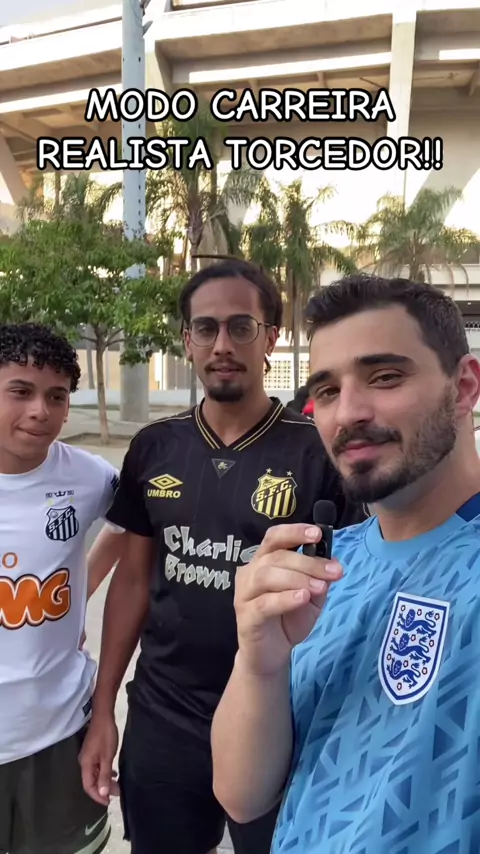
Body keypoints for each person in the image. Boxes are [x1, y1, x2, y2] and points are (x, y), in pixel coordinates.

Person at [79, 259, 365, 854]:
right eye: (206, 328)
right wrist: (104, 708)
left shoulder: (319, 454)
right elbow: (132, 582)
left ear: (271, 338)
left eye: (241, 327)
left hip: (281, 717)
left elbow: (358, 589)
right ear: (187, 340)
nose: (223, 345)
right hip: (164, 717)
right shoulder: (155, 447)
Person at [211, 274, 480, 854]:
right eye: (328, 391)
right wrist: (260, 661)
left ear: (463, 388)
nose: (348, 413)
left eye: (385, 377)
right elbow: (240, 796)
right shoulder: (323, 568)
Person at [0, 323, 125, 854]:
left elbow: (129, 527)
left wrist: (79, 594)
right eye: (20, 391)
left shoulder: (89, 477)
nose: (40, 411)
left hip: (58, 736)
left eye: (57, 396)